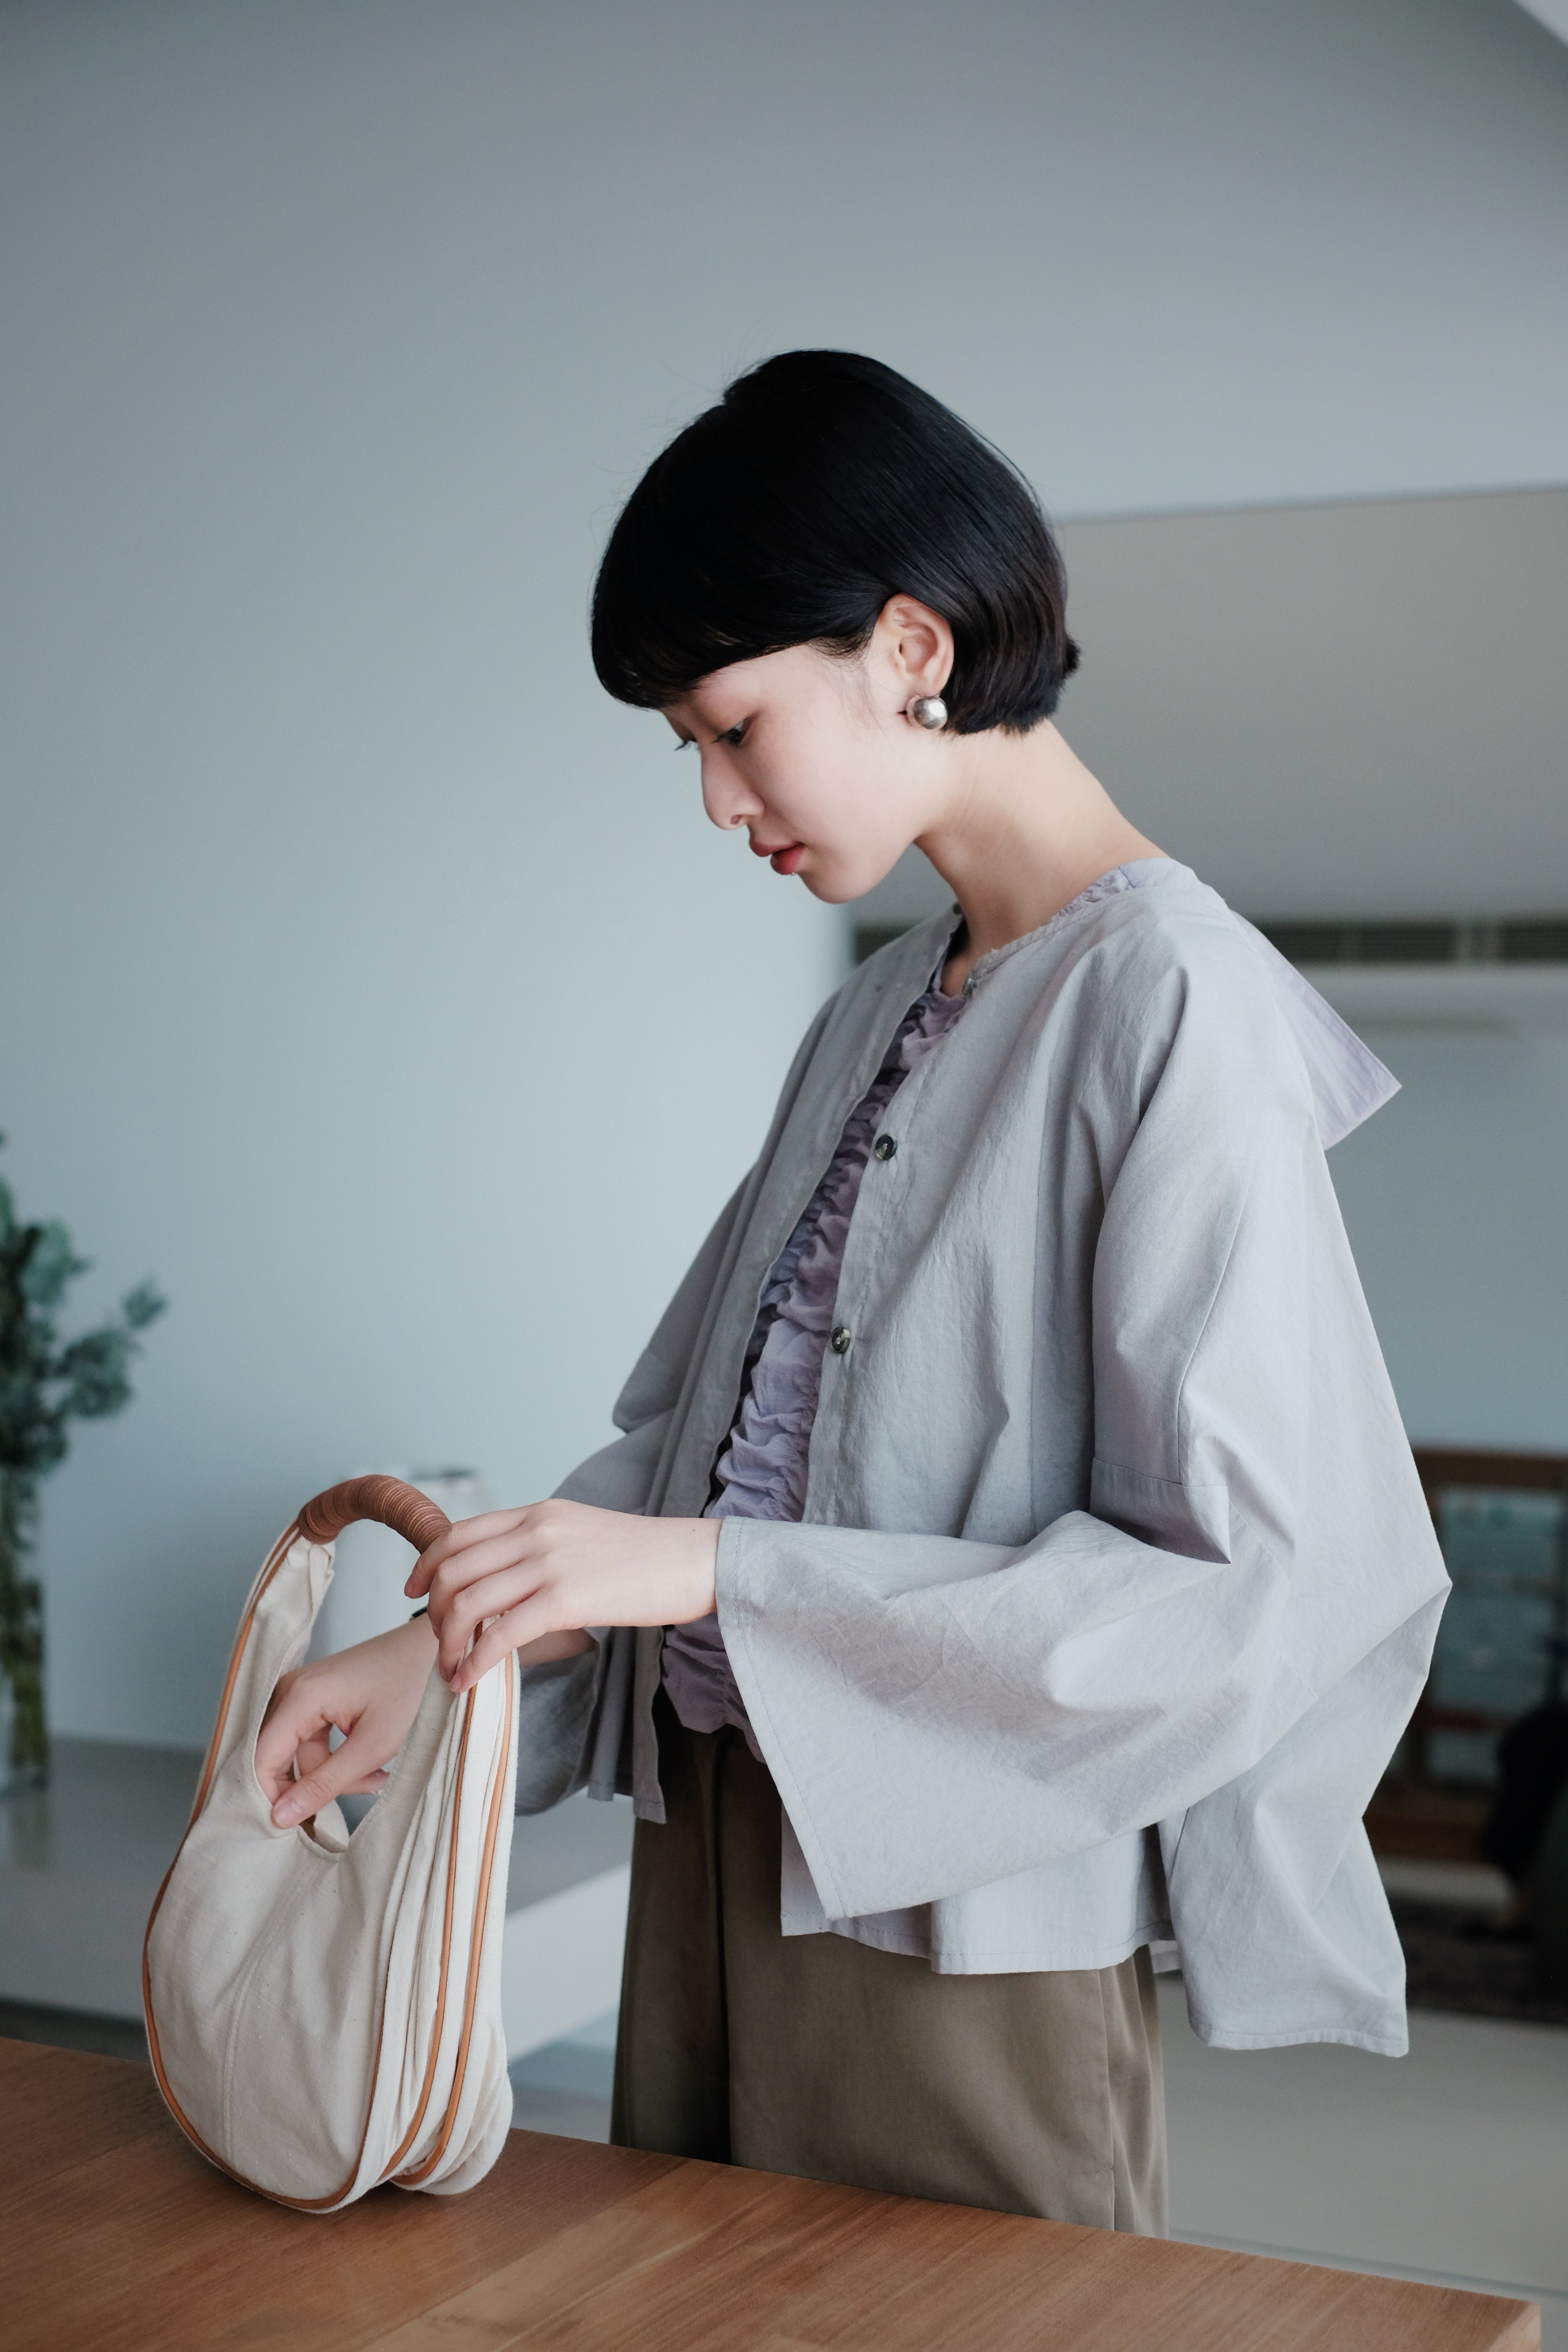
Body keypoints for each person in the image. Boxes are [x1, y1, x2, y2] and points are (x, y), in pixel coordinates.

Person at [256, 350, 1450, 2234]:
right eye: (690, 747)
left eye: (734, 726)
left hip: (962, 1930)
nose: (715, 797)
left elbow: (1224, 1599)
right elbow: (708, 1453)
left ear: (910, 647)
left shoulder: (1173, 1005)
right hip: (714, 1854)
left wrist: (710, 1574)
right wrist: (448, 1651)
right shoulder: (881, 1002)